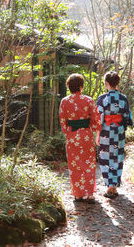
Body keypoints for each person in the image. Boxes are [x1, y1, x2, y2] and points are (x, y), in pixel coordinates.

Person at [59, 73, 101, 203]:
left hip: (72, 135)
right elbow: (96, 119)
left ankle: (78, 194)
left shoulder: (65, 101)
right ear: (81, 87)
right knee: (88, 164)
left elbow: (63, 120)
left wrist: (67, 132)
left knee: (75, 165)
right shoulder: (88, 100)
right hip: (86, 135)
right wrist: (96, 133)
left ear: (68, 87)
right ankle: (89, 194)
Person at [96, 71, 133, 198]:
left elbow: (99, 119)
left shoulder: (102, 99)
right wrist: (122, 128)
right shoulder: (123, 99)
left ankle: (109, 186)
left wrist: (97, 135)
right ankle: (114, 187)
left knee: (105, 158)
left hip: (105, 131)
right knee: (118, 157)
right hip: (119, 132)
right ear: (117, 83)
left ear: (107, 83)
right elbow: (127, 116)